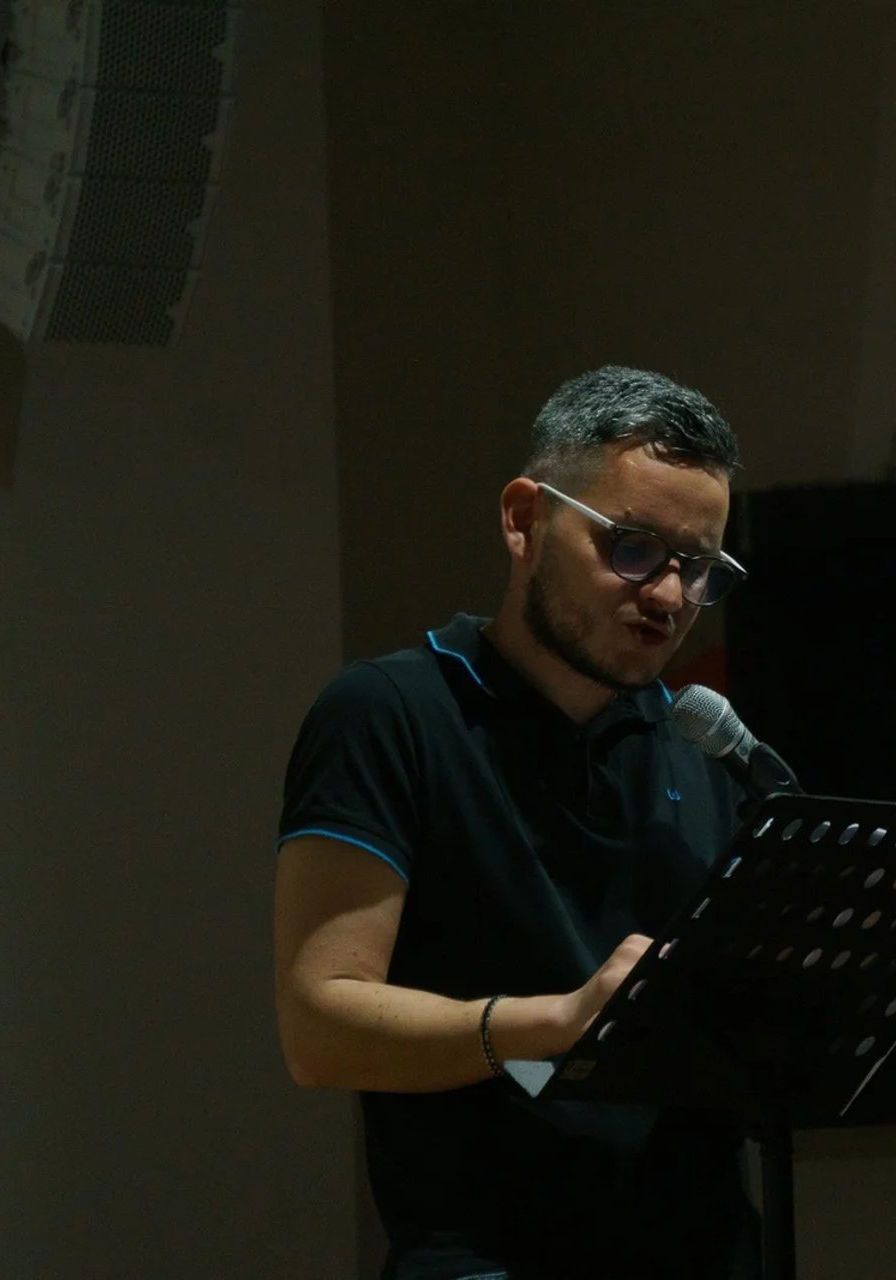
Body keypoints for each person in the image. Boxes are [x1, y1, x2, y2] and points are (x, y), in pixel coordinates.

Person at [273, 366, 760, 1280]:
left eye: (696, 570)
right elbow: (318, 1026)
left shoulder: (700, 747)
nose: (665, 596)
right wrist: (556, 1022)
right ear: (524, 520)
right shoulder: (391, 714)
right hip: (490, 1257)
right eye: (631, 549)